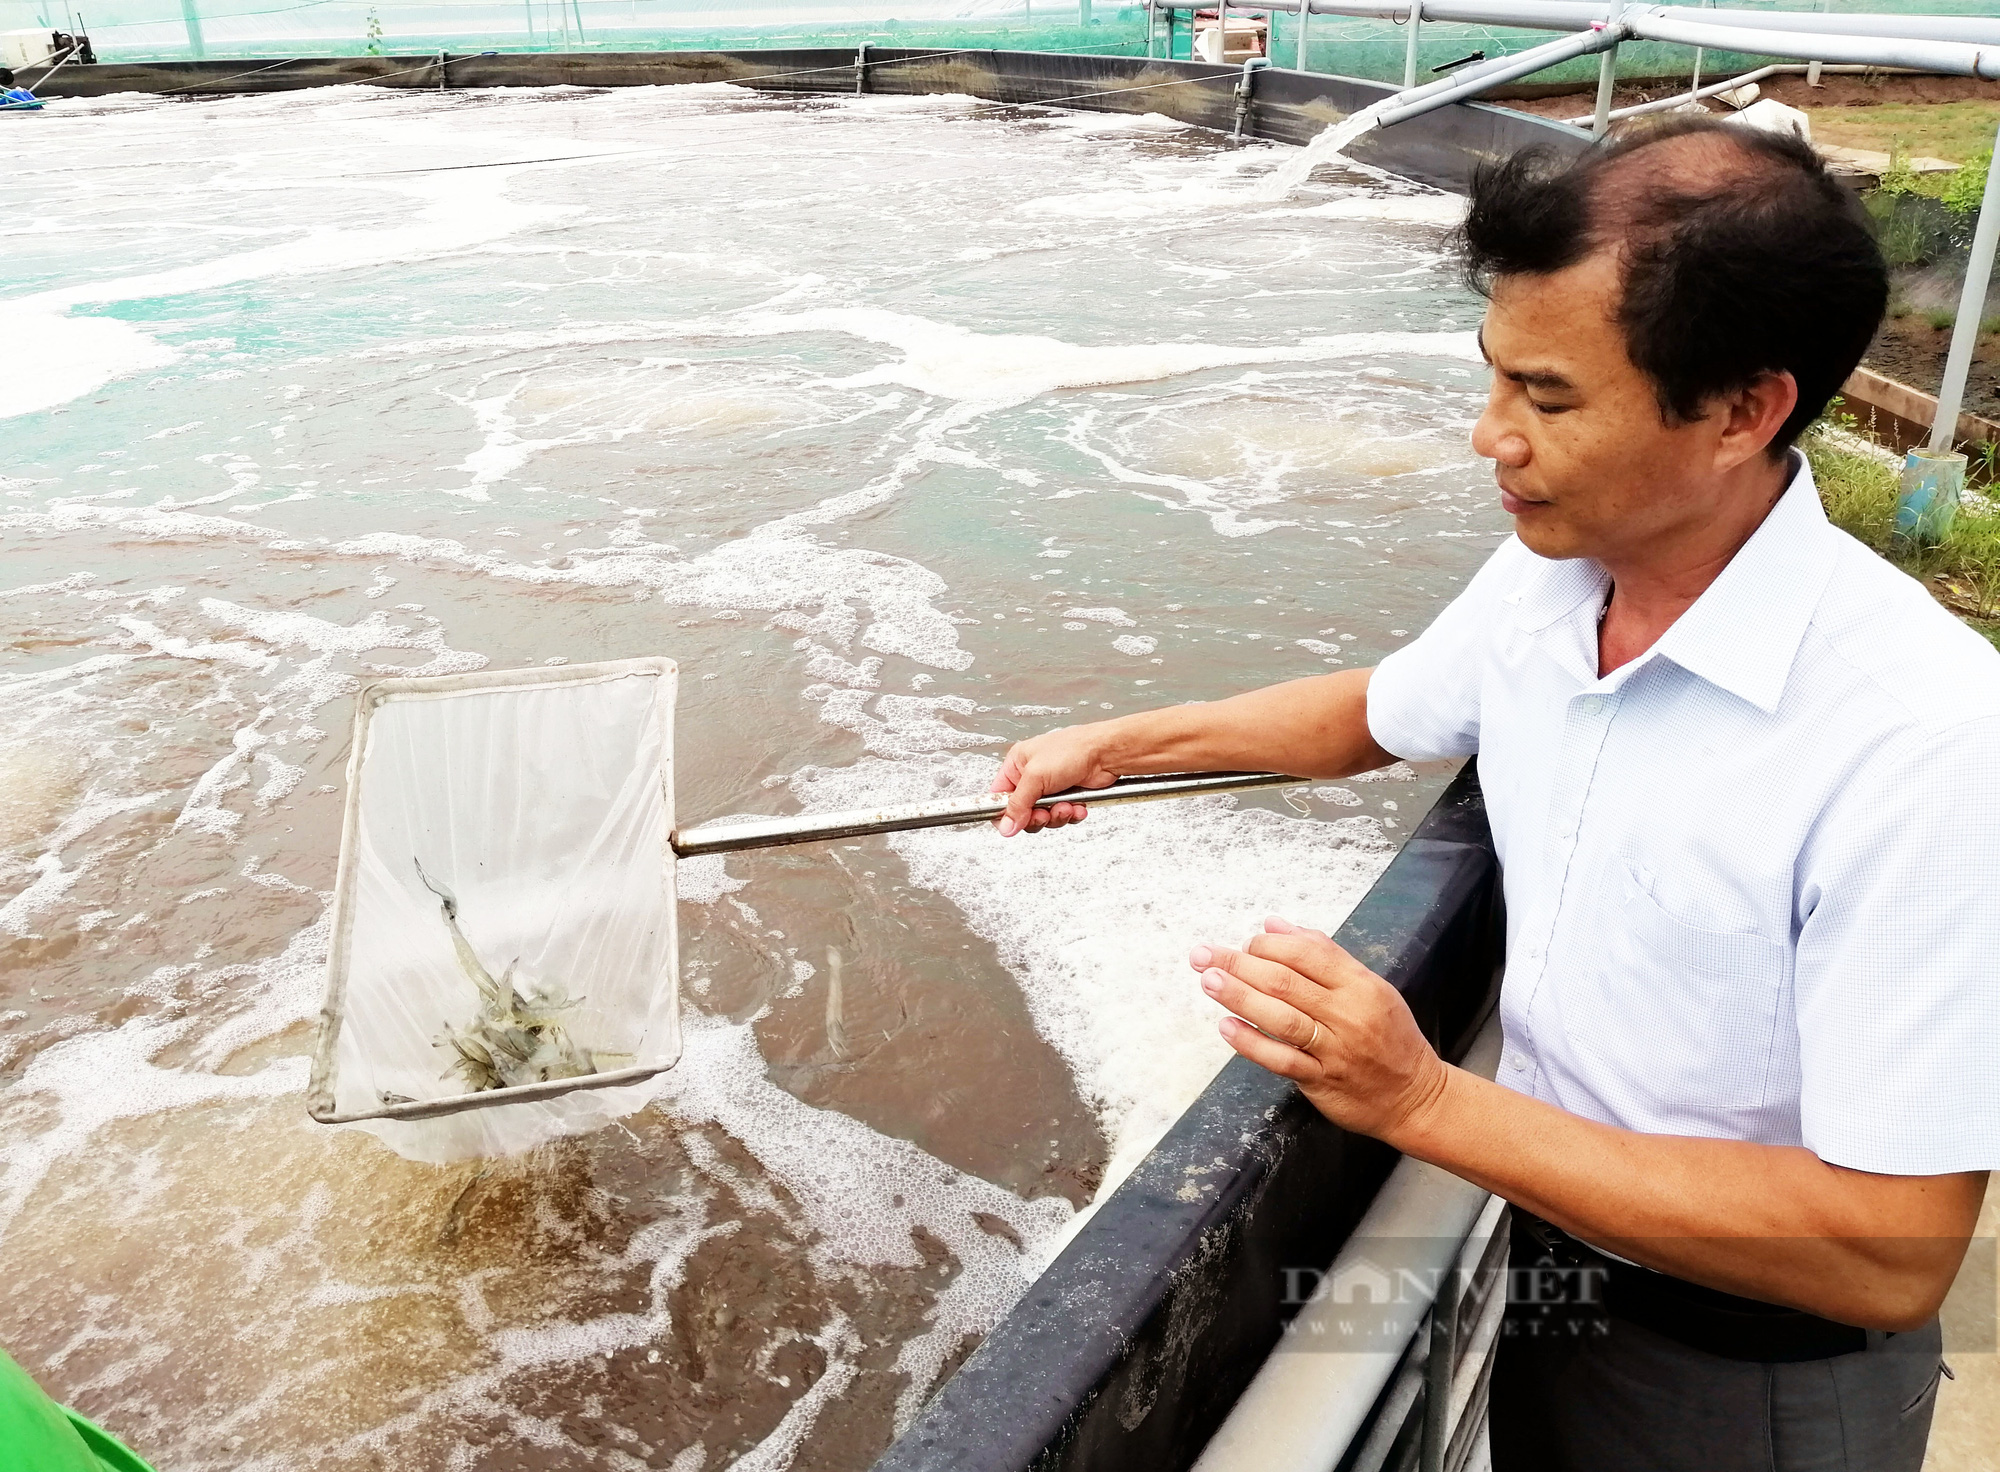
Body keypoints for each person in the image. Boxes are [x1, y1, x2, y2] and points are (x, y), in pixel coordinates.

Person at [988, 116, 1998, 1471]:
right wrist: (1120, 746)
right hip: (1549, 1270)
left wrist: (1417, 1102)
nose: (1489, 438)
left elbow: (1891, 1249)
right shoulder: (1554, 578)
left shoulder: (1923, 739)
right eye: (1494, 381)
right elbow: (1375, 713)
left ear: (1743, 410)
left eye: (1550, 397)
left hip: (1749, 1379)